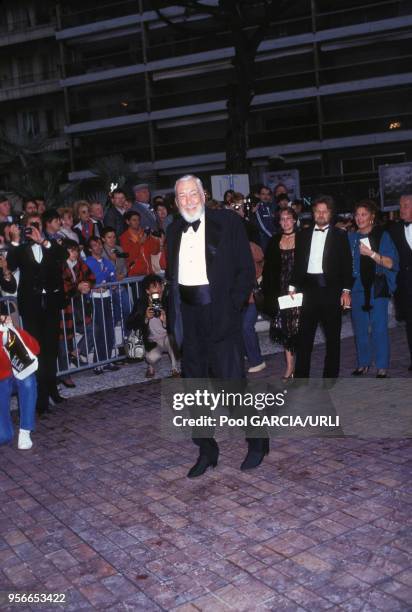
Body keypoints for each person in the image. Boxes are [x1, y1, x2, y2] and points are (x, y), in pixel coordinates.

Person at [166, 174, 268, 478]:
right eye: (181, 196)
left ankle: (258, 441)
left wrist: (232, 308)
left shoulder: (228, 222)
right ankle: (207, 450)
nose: (187, 201)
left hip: (221, 313)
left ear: (203, 194)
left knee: (231, 385)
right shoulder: (172, 230)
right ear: (176, 202)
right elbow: (173, 277)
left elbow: (245, 269)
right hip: (189, 317)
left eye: (192, 194)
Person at [7, 213, 67, 414]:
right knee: (37, 351)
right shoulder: (20, 249)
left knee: (51, 350)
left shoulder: (52, 244)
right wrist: (14, 241)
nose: (33, 228)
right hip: (31, 307)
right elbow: (11, 265)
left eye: (37, 225)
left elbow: (63, 256)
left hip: (51, 304)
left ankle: (52, 390)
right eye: (29, 226)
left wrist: (43, 241)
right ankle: (41, 400)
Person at [289, 196, 353, 379]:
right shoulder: (303, 235)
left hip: (331, 292)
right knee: (304, 337)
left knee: (333, 338)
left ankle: (330, 376)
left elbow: (347, 266)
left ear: (331, 214)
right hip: (308, 292)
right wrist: (292, 286)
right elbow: (299, 264)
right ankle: (301, 376)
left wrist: (346, 291)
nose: (321, 214)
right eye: (318, 211)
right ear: (313, 214)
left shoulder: (340, 236)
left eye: (325, 211)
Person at [348, 200, 398, 378]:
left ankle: (382, 365)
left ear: (372, 217)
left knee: (379, 328)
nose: (359, 218)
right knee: (360, 328)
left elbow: (391, 263)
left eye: (364, 214)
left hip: (377, 288)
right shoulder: (351, 238)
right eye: (357, 215)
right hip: (357, 289)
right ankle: (363, 363)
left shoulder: (381, 235)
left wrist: (371, 254)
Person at [263, 208, 300, 380]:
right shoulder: (274, 241)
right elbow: (269, 269)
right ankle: (290, 368)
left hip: (300, 291)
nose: (285, 221)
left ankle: (299, 367)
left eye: (288, 218)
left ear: (294, 220)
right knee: (286, 329)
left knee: (299, 328)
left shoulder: (303, 238)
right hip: (282, 292)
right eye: (282, 219)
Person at [230, 196, 265, 373]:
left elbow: (260, 262)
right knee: (240, 327)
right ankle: (248, 355)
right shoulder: (229, 250)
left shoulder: (251, 246)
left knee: (245, 326)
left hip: (251, 293)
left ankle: (256, 359)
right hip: (238, 295)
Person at [126, 274, 179, 378]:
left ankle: (174, 368)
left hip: (166, 338)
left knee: (171, 339)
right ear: (147, 291)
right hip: (151, 341)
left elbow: (176, 325)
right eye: (154, 287)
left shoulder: (168, 301)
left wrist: (165, 321)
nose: (158, 290)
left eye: (160, 286)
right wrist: (145, 317)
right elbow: (129, 323)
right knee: (152, 357)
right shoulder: (141, 303)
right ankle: (151, 366)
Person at [59, 240, 95, 387]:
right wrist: (78, 287)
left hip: (78, 309)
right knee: (62, 343)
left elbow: (92, 277)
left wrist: (88, 285)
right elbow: (62, 287)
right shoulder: (60, 265)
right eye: (72, 250)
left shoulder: (80, 263)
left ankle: (76, 352)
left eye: (76, 250)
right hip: (63, 310)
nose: (75, 253)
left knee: (93, 328)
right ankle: (64, 375)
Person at [0, 315, 39, 450]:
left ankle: (25, 431)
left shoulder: (6, 329)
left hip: (17, 374)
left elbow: (35, 349)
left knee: (28, 379)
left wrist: (15, 331)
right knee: (4, 436)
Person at [85, 237, 120, 375]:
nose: (98, 247)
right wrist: (94, 287)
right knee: (99, 330)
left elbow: (113, 278)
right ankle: (98, 362)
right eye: (94, 245)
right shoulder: (87, 262)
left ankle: (107, 359)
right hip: (94, 299)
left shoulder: (107, 261)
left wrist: (111, 285)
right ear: (90, 249)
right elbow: (87, 280)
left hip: (106, 297)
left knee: (109, 328)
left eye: (99, 244)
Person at [120, 211, 160, 277]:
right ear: (127, 222)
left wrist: (155, 239)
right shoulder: (124, 237)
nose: (137, 222)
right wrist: (139, 243)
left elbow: (155, 251)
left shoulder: (145, 233)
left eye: (138, 220)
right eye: (134, 220)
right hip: (134, 274)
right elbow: (129, 256)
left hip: (148, 273)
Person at [255, 185, 275, 251]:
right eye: (263, 194)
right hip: (263, 239)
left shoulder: (271, 207)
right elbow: (262, 226)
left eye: (268, 194)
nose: (266, 196)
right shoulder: (258, 207)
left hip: (272, 238)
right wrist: (272, 236)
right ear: (259, 195)